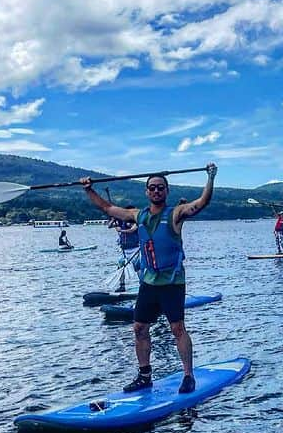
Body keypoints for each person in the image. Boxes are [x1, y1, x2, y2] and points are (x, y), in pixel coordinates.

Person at [81, 164, 217, 394]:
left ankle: (188, 375)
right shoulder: (138, 215)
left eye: (160, 188)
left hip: (172, 284)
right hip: (149, 283)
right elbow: (106, 207)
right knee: (139, 328)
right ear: (147, 192)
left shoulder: (176, 213)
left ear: (167, 191)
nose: (156, 191)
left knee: (177, 329)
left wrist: (210, 178)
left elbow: (202, 202)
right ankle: (144, 376)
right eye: (152, 188)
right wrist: (89, 189)